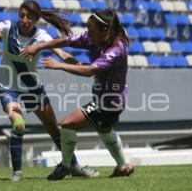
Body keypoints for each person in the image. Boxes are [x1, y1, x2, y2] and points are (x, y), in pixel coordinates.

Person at [0, 0, 98, 181]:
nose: (24, 19)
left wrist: (76, 63)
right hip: (8, 87)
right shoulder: (8, 27)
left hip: (33, 88)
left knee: (55, 131)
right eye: (22, 15)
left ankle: (74, 166)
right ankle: (17, 172)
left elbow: (63, 54)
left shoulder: (42, 36)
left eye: (29, 17)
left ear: (36, 19)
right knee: (18, 124)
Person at [20, 10, 134, 180]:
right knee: (104, 130)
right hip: (107, 98)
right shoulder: (96, 36)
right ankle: (123, 166)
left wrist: (59, 65)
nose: (88, 34)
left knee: (67, 124)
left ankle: (66, 166)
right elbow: (67, 40)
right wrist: (39, 46)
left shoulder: (116, 50)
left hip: (109, 102)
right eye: (87, 28)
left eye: (91, 30)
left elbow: (89, 71)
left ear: (104, 30)